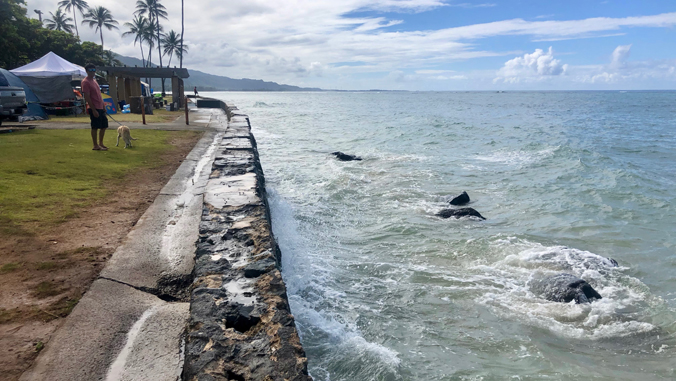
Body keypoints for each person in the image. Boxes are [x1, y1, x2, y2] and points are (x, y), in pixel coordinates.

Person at [81, 63, 109, 151]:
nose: (93, 72)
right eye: (91, 70)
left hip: (100, 106)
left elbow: (99, 95)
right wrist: (93, 109)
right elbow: (87, 96)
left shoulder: (94, 81)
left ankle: (101, 143)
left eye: (94, 70)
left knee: (104, 125)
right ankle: (95, 145)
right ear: (87, 71)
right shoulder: (85, 82)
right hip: (94, 107)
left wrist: (103, 106)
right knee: (95, 126)